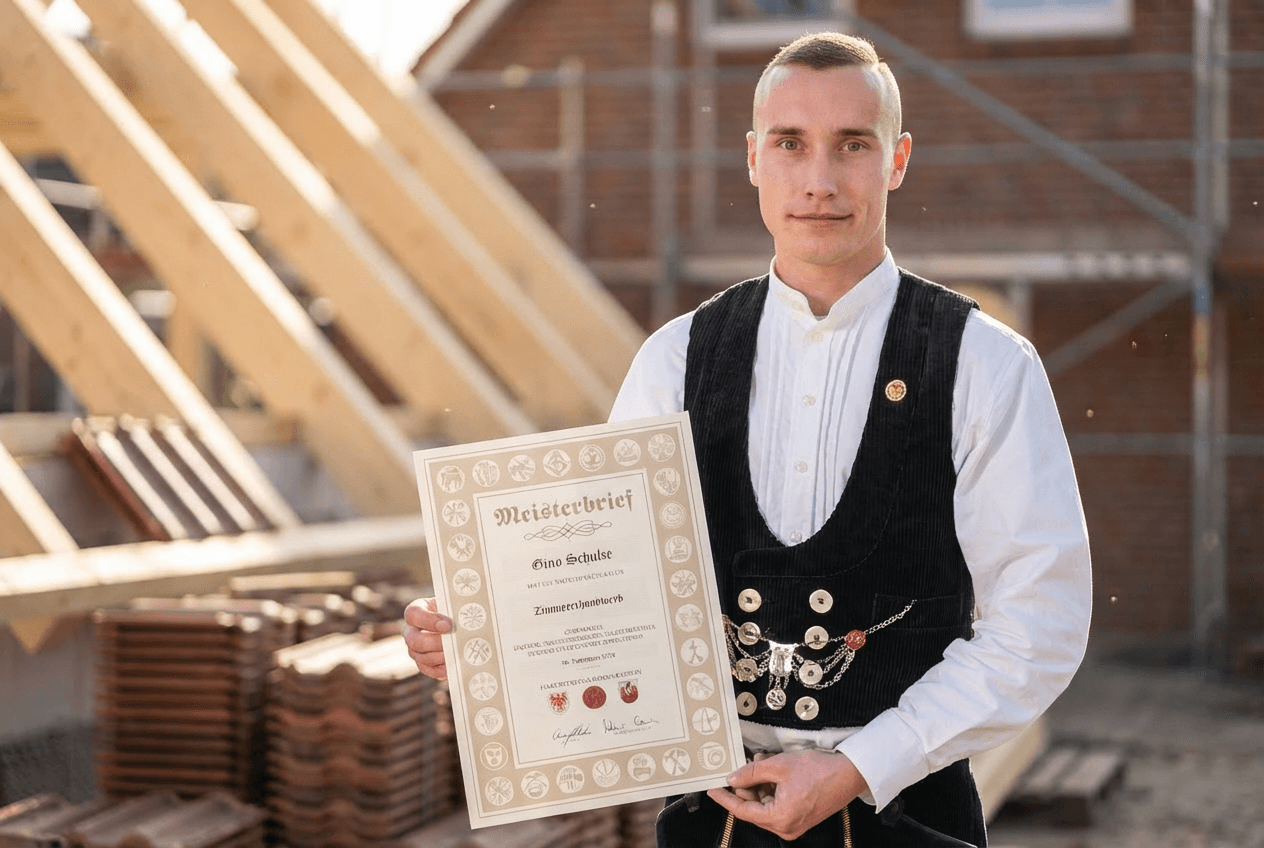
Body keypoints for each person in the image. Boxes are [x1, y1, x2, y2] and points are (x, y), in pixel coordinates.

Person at [406, 31, 1091, 847]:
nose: (820, 180)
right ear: (753, 159)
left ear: (897, 158)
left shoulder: (985, 365)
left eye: (853, 146)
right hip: (713, 821)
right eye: (791, 144)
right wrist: (488, 641)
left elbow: (1040, 621)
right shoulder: (675, 360)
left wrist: (857, 767)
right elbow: (612, 591)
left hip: (911, 820)